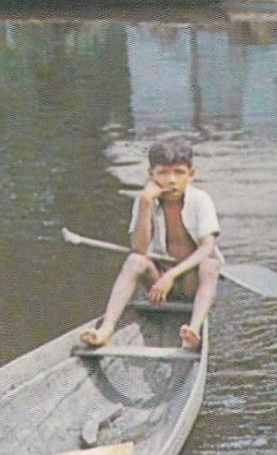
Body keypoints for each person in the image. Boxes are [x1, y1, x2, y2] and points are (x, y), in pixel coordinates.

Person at [78, 137, 222, 352]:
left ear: (191, 174)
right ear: (151, 175)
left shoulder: (201, 200)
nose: (171, 180)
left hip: (191, 282)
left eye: (179, 173)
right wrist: (145, 203)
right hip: (158, 287)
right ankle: (106, 330)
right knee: (135, 260)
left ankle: (193, 332)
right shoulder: (145, 199)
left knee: (210, 265)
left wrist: (171, 276)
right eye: (163, 173)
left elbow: (207, 248)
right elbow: (139, 248)